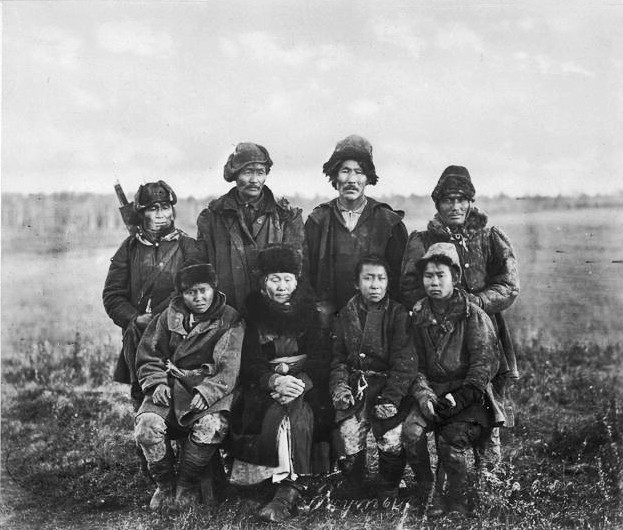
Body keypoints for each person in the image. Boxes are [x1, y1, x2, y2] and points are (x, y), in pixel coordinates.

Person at [400, 165, 519, 466]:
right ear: (437, 204)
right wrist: (435, 308)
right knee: (441, 397)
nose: (455, 206)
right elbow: (409, 286)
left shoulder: (489, 237)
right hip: (436, 330)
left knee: (487, 397)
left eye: (461, 199)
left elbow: (509, 285)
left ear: (471, 202)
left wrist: (476, 302)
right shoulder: (423, 240)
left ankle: (490, 476)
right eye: (447, 200)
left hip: (484, 328)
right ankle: (450, 467)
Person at [402, 243, 506, 516]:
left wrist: (459, 398)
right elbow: (413, 364)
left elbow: (483, 366)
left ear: (455, 277)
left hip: (470, 395)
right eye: (428, 276)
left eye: (441, 275)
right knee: (411, 434)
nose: (434, 282)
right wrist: (424, 396)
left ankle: (457, 499)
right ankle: (429, 491)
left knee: (451, 440)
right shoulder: (418, 315)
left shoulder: (473, 315)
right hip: (432, 391)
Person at [133, 260, 244, 510]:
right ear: (181, 294)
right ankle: (165, 485)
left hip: (210, 389)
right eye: (190, 292)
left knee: (211, 426)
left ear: (214, 288)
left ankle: (187, 484)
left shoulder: (230, 319)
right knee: (147, 427)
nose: (198, 297)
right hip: (170, 386)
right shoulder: (168, 317)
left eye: (203, 290)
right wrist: (155, 384)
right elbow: (149, 354)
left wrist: (207, 392)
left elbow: (229, 367)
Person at [229, 245, 321, 522]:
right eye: (274, 279)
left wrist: (300, 382)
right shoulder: (251, 316)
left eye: (288, 279)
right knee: (266, 414)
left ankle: (288, 488)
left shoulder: (311, 314)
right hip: (263, 387)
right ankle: (265, 481)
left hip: (307, 385)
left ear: (297, 280)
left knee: (296, 413)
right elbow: (248, 362)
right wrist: (272, 380)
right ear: (263, 282)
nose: (282, 286)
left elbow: (321, 359)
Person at [103, 180, 197, 408]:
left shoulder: (188, 246)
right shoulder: (129, 249)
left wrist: (174, 317)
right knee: (144, 395)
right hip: (139, 336)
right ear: (141, 213)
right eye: (153, 209)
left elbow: (200, 291)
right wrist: (134, 318)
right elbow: (112, 295)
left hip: (179, 334)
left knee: (182, 390)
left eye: (165, 207)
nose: (161, 214)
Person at [329, 255, 416, 499]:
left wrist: (392, 398)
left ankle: (389, 485)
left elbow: (405, 362)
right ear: (357, 283)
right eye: (368, 278)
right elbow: (338, 359)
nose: (375, 285)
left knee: (390, 437)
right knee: (348, 432)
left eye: (381, 278)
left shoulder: (398, 314)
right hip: (356, 386)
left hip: (388, 387)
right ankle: (356, 484)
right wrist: (340, 387)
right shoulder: (346, 313)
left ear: (389, 282)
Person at [303, 134, 408, 321]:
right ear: (334, 176)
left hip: (377, 320)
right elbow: (306, 275)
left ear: (368, 178)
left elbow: (400, 280)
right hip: (327, 321)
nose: (352, 179)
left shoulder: (389, 222)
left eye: (359, 172)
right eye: (345, 170)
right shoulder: (317, 221)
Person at [196, 142, 304, 311]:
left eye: (260, 173)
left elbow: (298, 270)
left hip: (273, 314)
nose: (254, 180)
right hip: (226, 312)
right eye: (247, 172)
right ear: (235, 175)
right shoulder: (212, 217)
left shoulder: (286, 216)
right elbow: (200, 268)